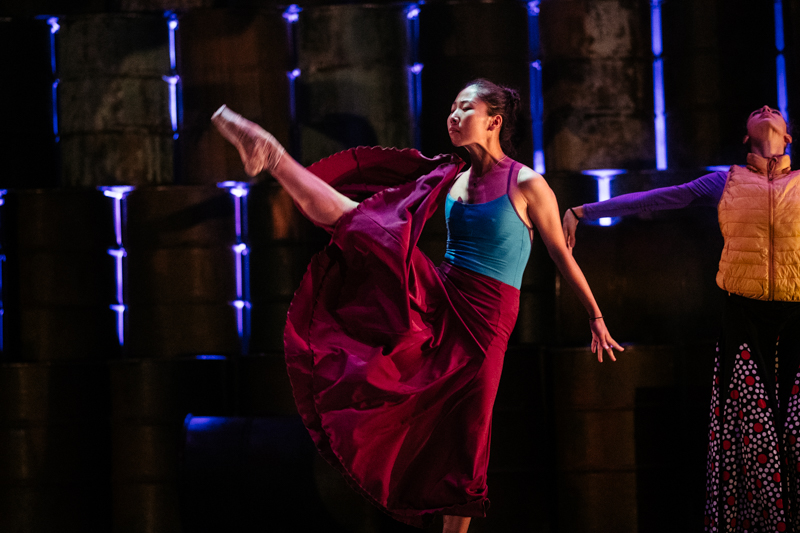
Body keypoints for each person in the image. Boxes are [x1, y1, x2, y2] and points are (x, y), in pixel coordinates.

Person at [212, 78, 622, 533]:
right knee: (363, 226)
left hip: (487, 323)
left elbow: (560, 254)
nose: (453, 116)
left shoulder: (526, 182)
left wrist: (595, 315)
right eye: (452, 107)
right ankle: (272, 155)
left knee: (465, 439)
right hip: (442, 295)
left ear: (494, 121)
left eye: (465, 108)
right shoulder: (454, 179)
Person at [563, 105, 800, 532]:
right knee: (753, 439)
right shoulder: (725, 182)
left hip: (797, 319)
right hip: (744, 321)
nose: (766, 109)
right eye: (757, 111)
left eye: (775, 111)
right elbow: (658, 198)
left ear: (788, 139)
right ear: (745, 138)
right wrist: (584, 211)